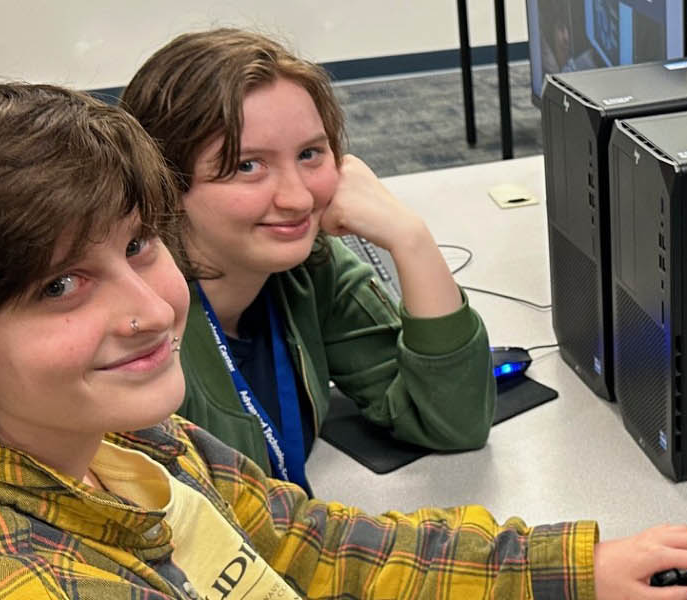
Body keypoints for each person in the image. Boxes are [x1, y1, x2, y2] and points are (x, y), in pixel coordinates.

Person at [0, 79, 687, 599]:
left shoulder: (109, 436)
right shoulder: (5, 581)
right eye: (60, 286)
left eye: (137, 246)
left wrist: (564, 569)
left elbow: (304, 542)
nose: (151, 308)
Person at [118, 29, 492, 490]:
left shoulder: (309, 268)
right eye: (247, 166)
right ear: (165, 184)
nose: (297, 199)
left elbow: (454, 422)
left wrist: (411, 240)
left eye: (311, 154)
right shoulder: (136, 328)